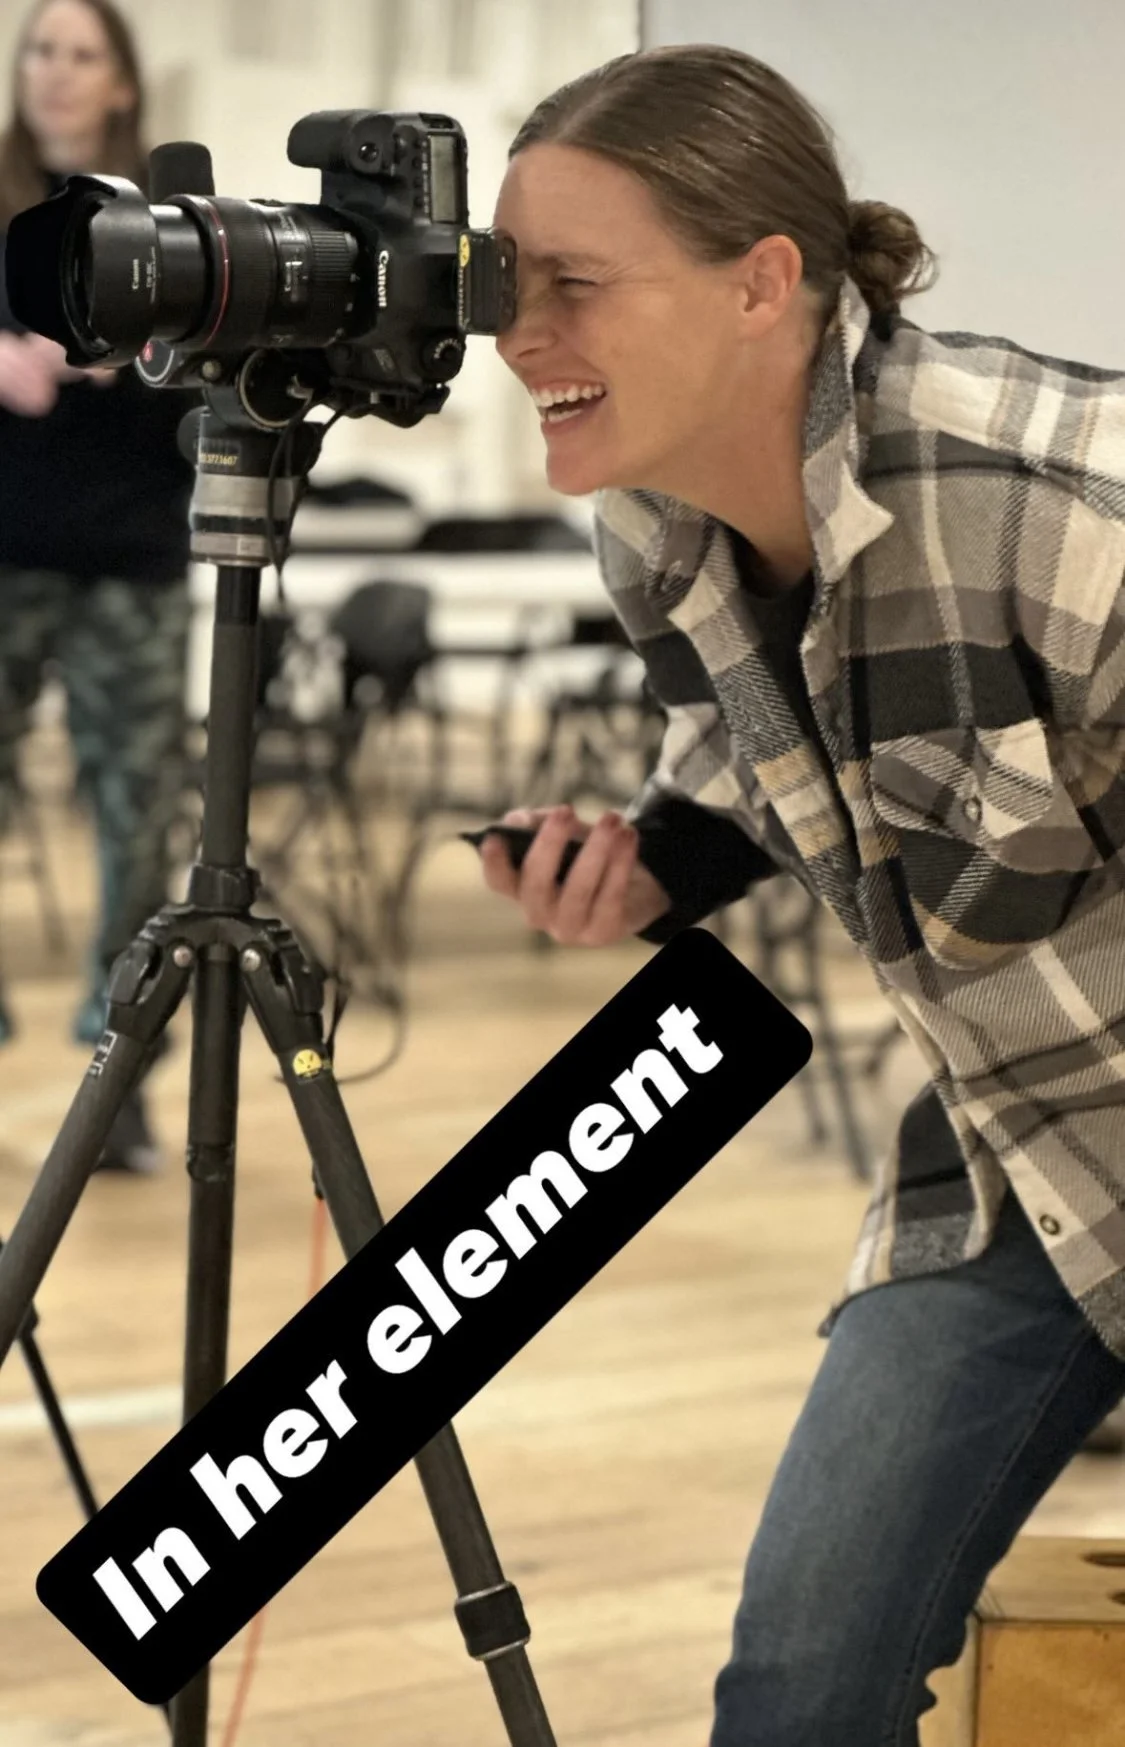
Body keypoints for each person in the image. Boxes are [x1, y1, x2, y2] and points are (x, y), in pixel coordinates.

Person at [480, 42, 1125, 1747]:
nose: (517, 335)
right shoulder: (655, 525)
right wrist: (653, 869)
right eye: (504, 280)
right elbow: (761, 747)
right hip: (1021, 1145)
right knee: (799, 1696)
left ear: (764, 284)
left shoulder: (1071, 515)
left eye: (572, 283)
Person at [0, 0, 194, 1171]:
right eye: (40, 50)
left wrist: (136, 356)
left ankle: (116, 1075)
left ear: (120, 81)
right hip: (4, 550)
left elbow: (210, 388)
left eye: (81, 54)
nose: (56, 72)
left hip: (133, 560)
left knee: (139, 822)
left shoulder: (166, 219)